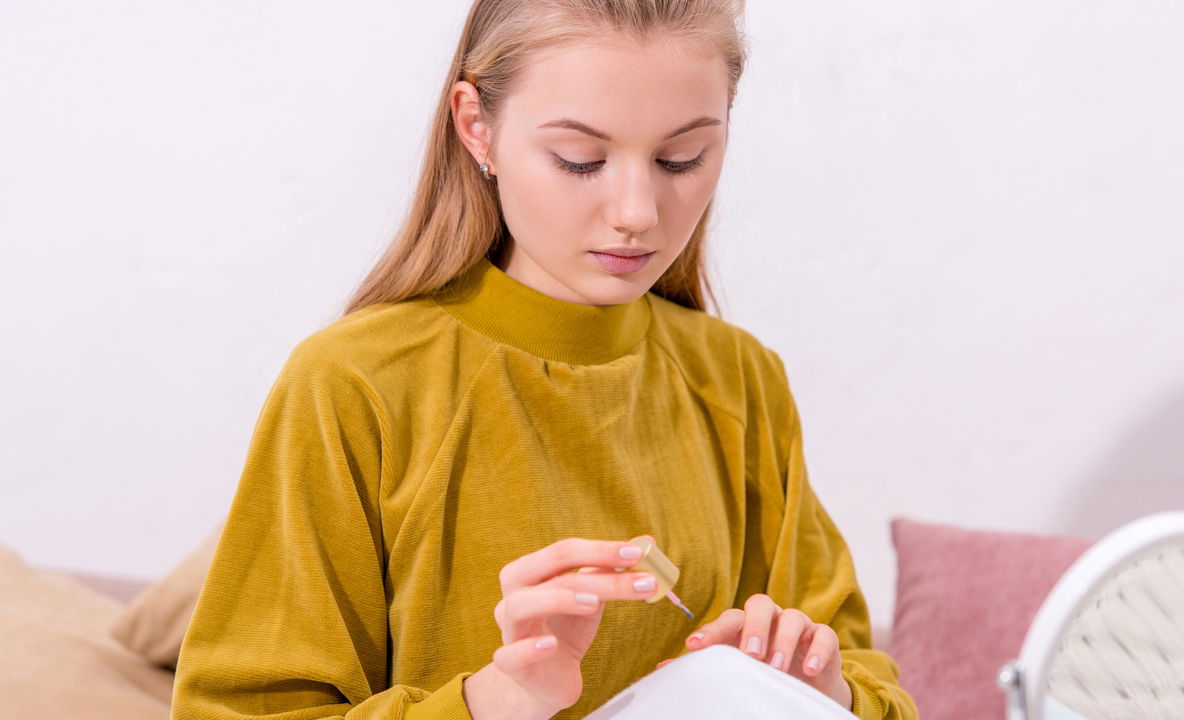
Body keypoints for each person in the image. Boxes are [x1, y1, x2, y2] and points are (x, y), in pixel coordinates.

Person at [170, 1, 919, 719]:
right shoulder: (355, 385)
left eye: (681, 157)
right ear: (477, 128)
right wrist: (498, 702)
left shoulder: (740, 379)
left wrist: (820, 687)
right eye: (580, 160)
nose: (638, 212)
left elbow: (865, 677)